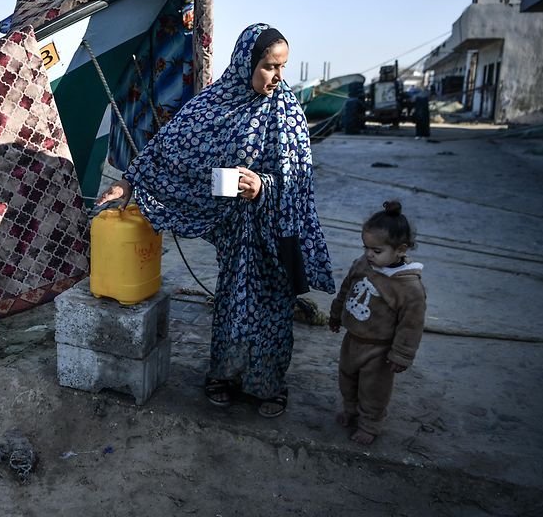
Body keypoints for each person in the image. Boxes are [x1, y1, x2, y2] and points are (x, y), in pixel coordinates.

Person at [96, 23, 335, 417]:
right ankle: (222, 375)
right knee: (233, 304)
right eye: (269, 67)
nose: (276, 77)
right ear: (246, 63)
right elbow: (170, 148)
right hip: (235, 233)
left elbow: (299, 178)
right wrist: (128, 183)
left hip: (273, 232)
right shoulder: (213, 104)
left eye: (282, 68)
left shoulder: (287, 112)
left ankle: (268, 385)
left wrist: (264, 185)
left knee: (272, 310)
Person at [328, 200, 426, 444]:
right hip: (353, 339)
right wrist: (336, 313)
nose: (369, 254)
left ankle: (370, 425)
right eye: (366, 248)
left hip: (379, 350)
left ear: (401, 249)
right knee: (347, 378)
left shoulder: (409, 287)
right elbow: (346, 289)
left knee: (373, 390)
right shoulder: (363, 264)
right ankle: (351, 411)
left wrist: (401, 354)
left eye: (377, 251)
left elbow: (411, 325)